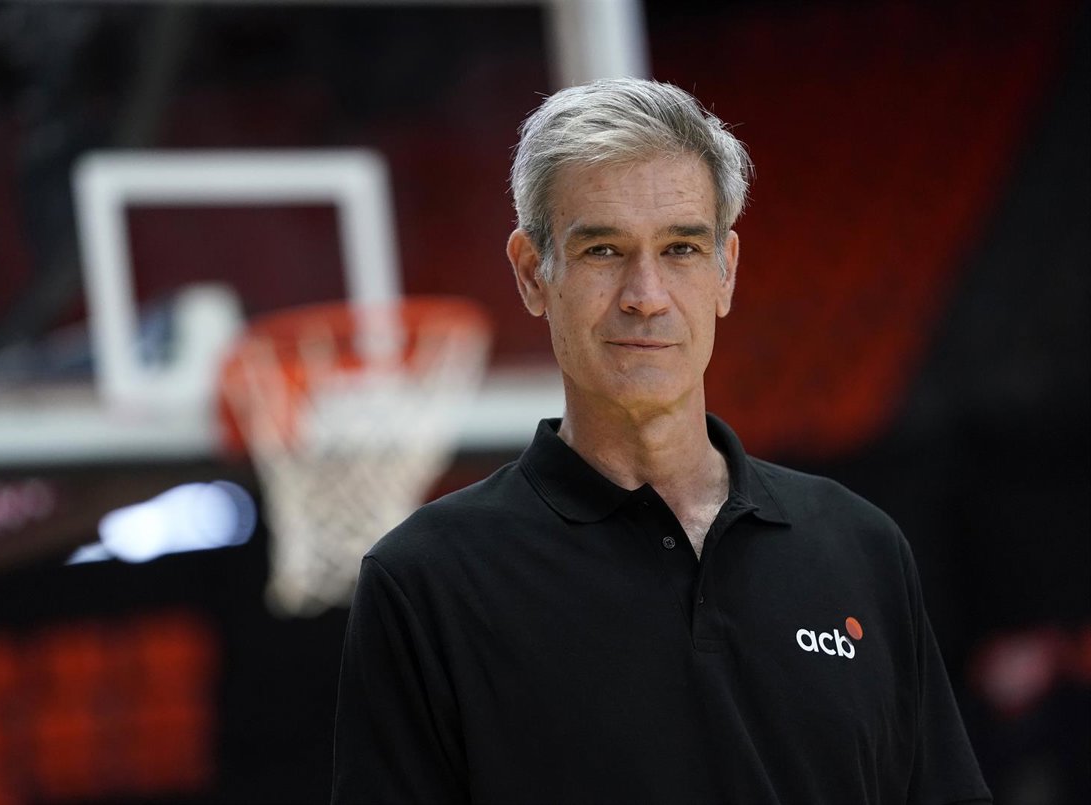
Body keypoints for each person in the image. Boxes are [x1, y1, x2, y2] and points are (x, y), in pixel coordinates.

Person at [331, 78, 990, 804]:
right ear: (532, 274)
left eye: (680, 248)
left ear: (725, 271)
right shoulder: (425, 581)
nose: (646, 295)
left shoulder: (861, 547)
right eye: (603, 249)